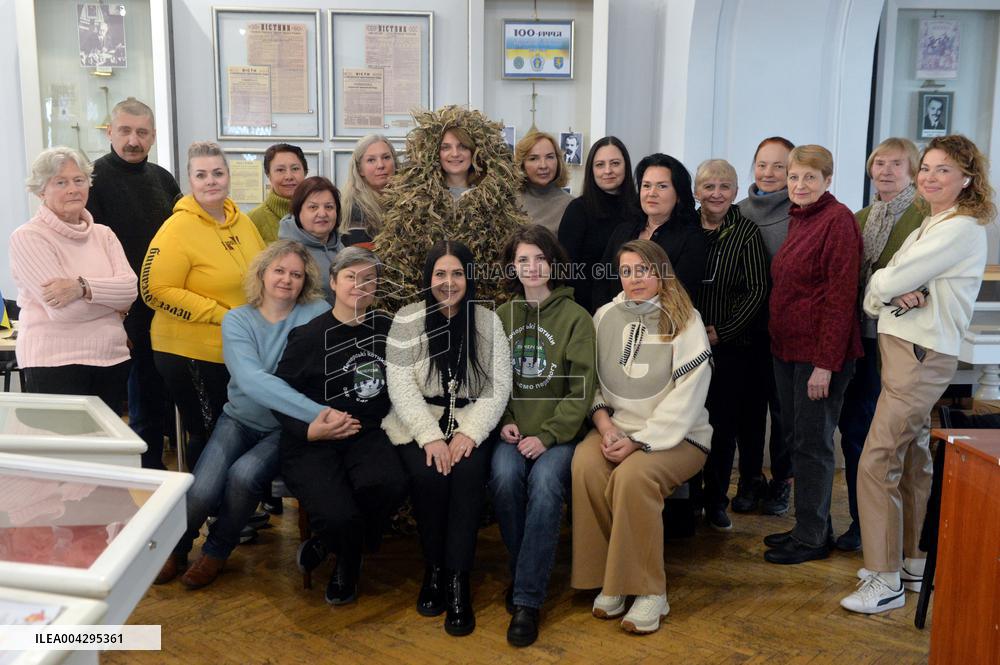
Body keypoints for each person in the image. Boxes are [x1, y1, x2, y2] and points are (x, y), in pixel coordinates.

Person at [841, 135, 995, 614]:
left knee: (876, 458)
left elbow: (885, 280)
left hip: (920, 352)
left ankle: (883, 578)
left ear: (967, 178)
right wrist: (886, 289)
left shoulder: (961, 228)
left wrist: (885, 289)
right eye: (925, 168)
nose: (929, 176)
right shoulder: (934, 222)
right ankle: (912, 560)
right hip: (909, 349)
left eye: (942, 170)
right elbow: (884, 284)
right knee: (909, 460)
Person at [154, 241, 332, 588]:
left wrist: (308, 416)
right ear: (262, 274)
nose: (287, 280)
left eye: (296, 274)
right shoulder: (237, 319)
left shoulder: (315, 313)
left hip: (285, 428)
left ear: (305, 280)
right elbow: (252, 381)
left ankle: (217, 551)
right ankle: (176, 549)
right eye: (279, 271)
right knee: (202, 489)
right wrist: (317, 412)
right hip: (238, 418)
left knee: (243, 476)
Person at [572, 239, 711, 635]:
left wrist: (638, 443)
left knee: (634, 477)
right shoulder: (604, 316)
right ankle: (610, 580)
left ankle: (650, 590)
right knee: (585, 464)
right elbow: (591, 383)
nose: (635, 279)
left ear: (661, 272)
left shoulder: (685, 319)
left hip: (679, 437)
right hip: (616, 430)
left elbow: (688, 396)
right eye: (627, 271)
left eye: (644, 270)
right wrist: (606, 427)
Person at [384, 241, 511, 637]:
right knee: (428, 478)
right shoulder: (408, 319)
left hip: (471, 422)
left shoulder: (487, 322)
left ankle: (458, 580)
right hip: (417, 423)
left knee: (468, 477)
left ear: (469, 278)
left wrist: (470, 433)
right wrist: (430, 437)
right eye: (440, 273)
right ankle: (433, 570)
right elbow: (400, 387)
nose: (449, 281)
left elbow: (498, 387)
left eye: (457, 273)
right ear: (428, 278)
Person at [274, 247, 408, 606]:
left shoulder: (387, 329)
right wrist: (309, 429)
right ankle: (346, 559)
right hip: (314, 438)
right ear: (333, 282)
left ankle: (331, 544)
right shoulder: (308, 337)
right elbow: (279, 395)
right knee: (338, 513)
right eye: (350, 277)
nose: (359, 286)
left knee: (390, 483)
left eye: (368, 279)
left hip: (367, 433)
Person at [490, 225, 596, 647]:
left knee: (547, 484)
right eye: (522, 260)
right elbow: (495, 382)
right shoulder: (502, 317)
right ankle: (525, 573)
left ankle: (528, 600)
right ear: (512, 268)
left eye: (539, 258)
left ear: (552, 263)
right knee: (501, 477)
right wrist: (507, 420)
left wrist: (549, 436)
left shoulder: (576, 318)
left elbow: (581, 389)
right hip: (514, 432)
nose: (531, 267)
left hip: (561, 435)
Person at [763, 144, 862, 565]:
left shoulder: (837, 221)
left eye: (809, 177)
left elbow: (841, 299)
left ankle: (812, 539)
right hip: (788, 350)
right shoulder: (801, 218)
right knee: (797, 440)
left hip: (817, 357)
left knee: (814, 444)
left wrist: (824, 365)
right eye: (793, 177)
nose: (799, 184)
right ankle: (811, 525)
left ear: (827, 180)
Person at [141, 141, 265, 471]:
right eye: (201, 175)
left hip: (235, 349)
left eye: (217, 173)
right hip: (189, 351)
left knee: (234, 430)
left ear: (228, 176)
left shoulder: (242, 222)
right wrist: (219, 314)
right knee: (211, 433)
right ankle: (202, 514)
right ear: (190, 181)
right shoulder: (177, 228)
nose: (211, 181)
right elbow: (154, 290)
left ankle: (231, 507)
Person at [835, 138, 924, 552]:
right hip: (859, 339)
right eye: (879, 163)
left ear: (913, 170)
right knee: (856, 431)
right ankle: (860, 523)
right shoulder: (860, 216)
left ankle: (905, 533)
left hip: (902, 341)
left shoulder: (926, 215)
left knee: (895, 439)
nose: (885, 171)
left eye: (896, 164)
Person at [86, 97, 180, 469]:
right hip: (120, 313)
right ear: (110, 131)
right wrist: (117, 314)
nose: (132, 140)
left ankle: (159, 478)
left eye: (141, 132)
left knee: (160, 400)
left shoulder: (163, 179)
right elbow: (91, 252)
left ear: (153, 136)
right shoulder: (92, 180)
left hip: (165, 308)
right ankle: (142, 484)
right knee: (135, 407)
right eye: (124, 130)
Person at [10, 146, 137, 409]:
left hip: (112, 359)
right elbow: (64, 312)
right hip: (54, 363)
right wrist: (112, 306)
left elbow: (130, 291)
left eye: (79, 180)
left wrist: (82, 287)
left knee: (105, 449)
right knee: (65, 449)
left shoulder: (104, 235)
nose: (73, 189)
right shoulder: (28, 237)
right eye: (61, 182)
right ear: (41, 190)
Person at [375, 105, 526, 305]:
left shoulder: (497, 201)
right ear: (433, 153)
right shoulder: (413, 201)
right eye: (446, 147)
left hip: (483, 307)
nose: (455, 154)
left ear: (476, 151)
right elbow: (400, 259)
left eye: (462, 146)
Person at [691, 159, 768, 531]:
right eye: (708, 186)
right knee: (689, 422)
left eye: (724, 186)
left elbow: (757, 290)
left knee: (722, 427)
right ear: (696, 192)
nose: (716, 193)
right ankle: (689, 499)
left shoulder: (747, 233)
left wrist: (722, 330)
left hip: (731, 349)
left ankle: (716, 500)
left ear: (736, 192)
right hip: (686, 348)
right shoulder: (685, 227)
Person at [734, 136, 796, 516]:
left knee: (784, 412)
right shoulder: (737, 211)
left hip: (786, 331)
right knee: (748, 410)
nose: (769, 173)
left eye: (779, 166)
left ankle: (783, 481)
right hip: (746, 331)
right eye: (762, 164)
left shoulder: (801, 212)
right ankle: (750, 477)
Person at [596, 153, 708, 308]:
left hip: (663, 325)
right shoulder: (623, 231)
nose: (651, 193)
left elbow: (681, 294)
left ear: (679, 195)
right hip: (616, 320)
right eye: (646, 185)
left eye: (662, 186)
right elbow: (602, 280)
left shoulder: (691, 239)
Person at [558, 137, 640, 313]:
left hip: (636, 305)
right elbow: (565, 268)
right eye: (600, 165)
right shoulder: (578, 210)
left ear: (626, 165)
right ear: (591, 170)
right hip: (587, 309)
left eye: (615, 163)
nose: (608, 170)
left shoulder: (640, 209)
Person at [278, 177, 344, 303]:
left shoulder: (339, 245)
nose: (322, 213)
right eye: (313, 207)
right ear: (298, 212)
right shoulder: (287, 252)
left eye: (329, 207)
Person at [341, 134, 399, 247]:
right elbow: (363, 260)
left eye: (386, 157)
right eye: (371, 160)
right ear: (360, 169)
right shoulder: (356, 209)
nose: (381, 165)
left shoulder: (405, 199)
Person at [514, 130, 572, 234]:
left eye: (550, 157)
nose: (543, 165)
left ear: (558, 161)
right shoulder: (510, 203)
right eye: (533, 158)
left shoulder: (571, 205)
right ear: (522, 164)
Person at [248, 143, 308, 244]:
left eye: (295, 169)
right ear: (268, 175)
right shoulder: (252, 220)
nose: (289, 176)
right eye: (280, 170)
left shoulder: (320, 213)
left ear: (305, 172)